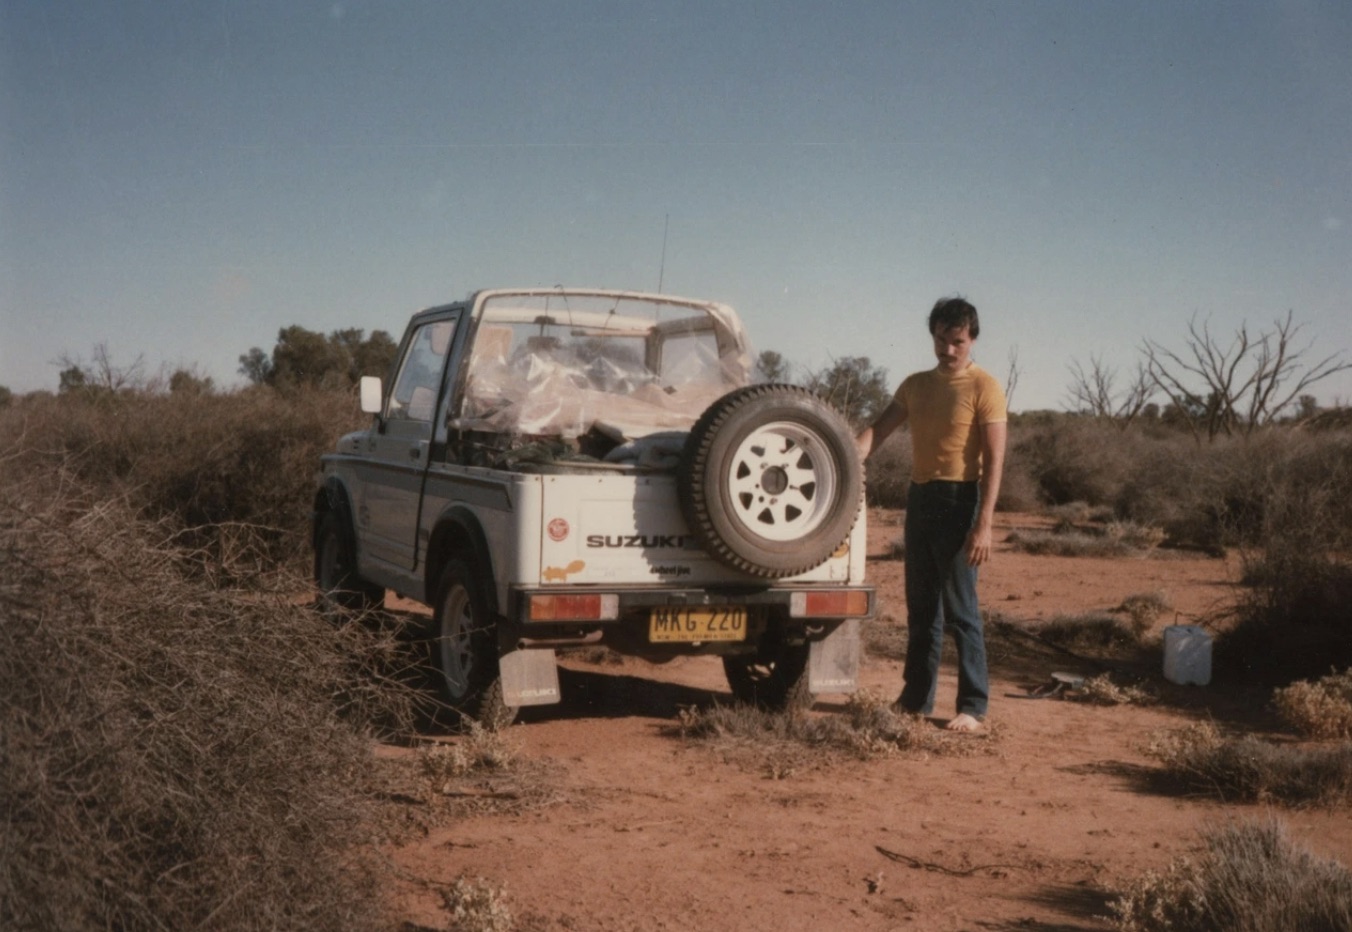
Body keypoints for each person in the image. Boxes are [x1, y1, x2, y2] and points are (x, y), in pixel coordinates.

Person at [855, 296, 1008, 732]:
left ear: (972, 339)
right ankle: (915, 699)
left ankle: (973, 706)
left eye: (957, 341)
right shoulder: (915, 384)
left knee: (962, 610)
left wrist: (984, 526)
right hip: (920, 500)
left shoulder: (986, 387)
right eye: (941, 340)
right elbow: (877, 432)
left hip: (961, 502)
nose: (948, 350)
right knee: (921, 609)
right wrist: (844, 456)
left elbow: (995, 460)